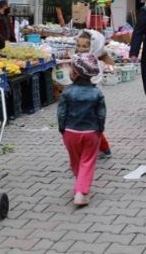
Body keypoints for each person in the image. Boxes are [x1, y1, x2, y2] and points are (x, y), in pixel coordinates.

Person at [56, 53, 106, 207]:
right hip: (91, 133)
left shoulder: (67, 92)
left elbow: (61, 113)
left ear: (76, 73)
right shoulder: (97, 93)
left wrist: (62, 128)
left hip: (70, 132)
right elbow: (101, 114)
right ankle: (81, 191)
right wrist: (100, 129)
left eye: (71, 69)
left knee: (75, 160)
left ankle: (80, 185)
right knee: (88, 161)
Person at [76, 30, 114, 158]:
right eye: (79, 46)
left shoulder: (94, 62)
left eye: (85, 46)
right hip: (81, 97)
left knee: (91, 125)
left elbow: (95, 80)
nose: (81, 49)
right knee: (86, 124)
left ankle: (103, 148)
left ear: (93, 46)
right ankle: (99, 149)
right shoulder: (79, 59)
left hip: (91, 98)